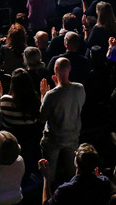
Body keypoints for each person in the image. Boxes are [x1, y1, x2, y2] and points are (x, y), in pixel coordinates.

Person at [40, 57, 86, 187]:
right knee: (72, 171)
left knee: (50, 173)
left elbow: (43, 117)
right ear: (69, 69)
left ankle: (49, 190)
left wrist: (43, 96)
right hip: (72, 136)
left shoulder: (51, 95)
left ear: (55, 70)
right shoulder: (80, 88)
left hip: (54, 139)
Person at [38, 143, 111, 205]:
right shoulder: (105, 182)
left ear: (76, 163)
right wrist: (98, 179)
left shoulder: (64, 190)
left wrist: (46, 177)